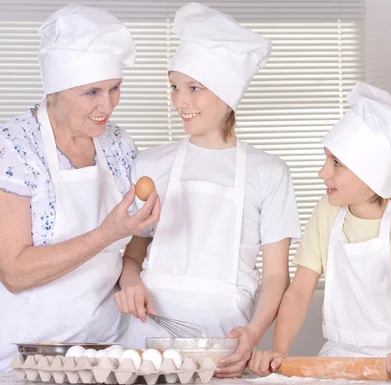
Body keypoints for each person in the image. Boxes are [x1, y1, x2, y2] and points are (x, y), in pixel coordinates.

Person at [115, 2, 301, 379]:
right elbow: (133, 255)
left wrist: (253, 333)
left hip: (223, 348)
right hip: (145, 343)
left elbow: (277, 276)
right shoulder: (152, 165)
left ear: (227, 93)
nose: (180, 101)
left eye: (194, 88)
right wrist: (131, 281)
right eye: (174, 87)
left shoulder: (269, 172)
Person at [0, 4, 160, 371]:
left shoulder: (118, 144)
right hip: (29, 353)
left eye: (115, 88)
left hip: (105, 347)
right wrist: (106, 234)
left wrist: (131, 272)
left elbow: (137, 231)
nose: (107, 106)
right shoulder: (14, 147)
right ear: (54, 91)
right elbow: (15, 272)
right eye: (92, 93)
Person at [249, 82, 391, 384]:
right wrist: (278, 352)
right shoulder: (327, 211)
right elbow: (299, 291)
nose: (323, 173)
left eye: (336, 163)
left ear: (372, 174)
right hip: (336, 363)